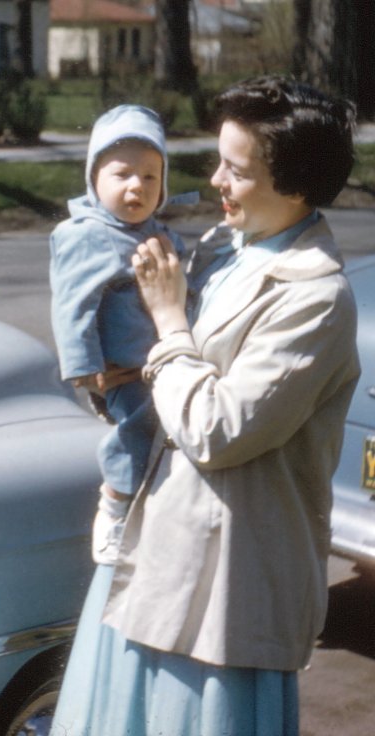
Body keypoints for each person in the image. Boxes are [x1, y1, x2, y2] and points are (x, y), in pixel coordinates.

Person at [51, 75, 359, 736]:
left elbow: (218, 431)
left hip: (225, 599)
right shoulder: (225, 249)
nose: (215, 179)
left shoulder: (316, 298)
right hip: (155, 556)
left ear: (297, 185)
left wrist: (166, 323)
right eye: (219, 159)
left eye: (236, 169)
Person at [49, 104, 194, 565]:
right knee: (135, 428)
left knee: (165, 435)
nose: (137, 186)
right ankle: (113, 504)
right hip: (121, 370)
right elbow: (72, 304)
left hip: (161, 360)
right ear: (95, 180)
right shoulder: (86, 236)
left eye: (151, 177)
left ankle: (147, 509)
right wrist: (83, 366)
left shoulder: (156, 232)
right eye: (123, 175)